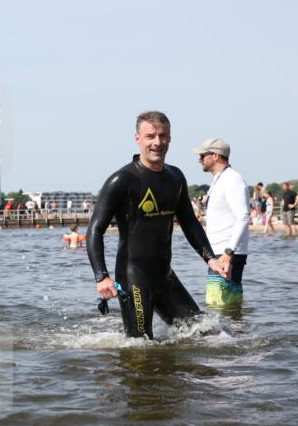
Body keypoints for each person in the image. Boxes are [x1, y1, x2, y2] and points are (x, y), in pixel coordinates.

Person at [86, 111, 227, 339]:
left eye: (162, 136)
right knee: (140, 347)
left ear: (170, 138)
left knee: (206, 333)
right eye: (150, 136)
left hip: (165, 276)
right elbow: (95, 230)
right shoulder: (122, 180)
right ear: (137, 139)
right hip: (133, 277)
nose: (157, 143)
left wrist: (211, 258)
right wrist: (101, 276)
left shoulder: (175, 177)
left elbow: (190, 222)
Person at [195, 139, 250, 308]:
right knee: (226, 307)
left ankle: (234, 334)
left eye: (203, 155)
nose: (199, 159)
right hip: (218, 252)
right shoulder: (219, 179)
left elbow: (243, 216)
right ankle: (239, 333)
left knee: (219, 305)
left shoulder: (232, 179)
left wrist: (228, 253)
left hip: (226, 253)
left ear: (216, 155)